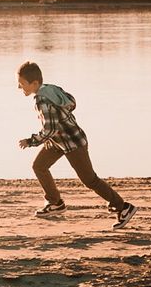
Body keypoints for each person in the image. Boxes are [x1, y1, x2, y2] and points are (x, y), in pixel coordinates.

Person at [17, 61, 135, 226]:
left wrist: (31, 141)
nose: (19, 87)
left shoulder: (41, 100)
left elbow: (49, 129)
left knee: (90, 180)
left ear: (34, 83)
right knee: (39, 166)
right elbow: (71, 103)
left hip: (72, 142)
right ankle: (55, 203)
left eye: (22, 84)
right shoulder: (52, 89)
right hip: (59, 141)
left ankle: (123, 207)